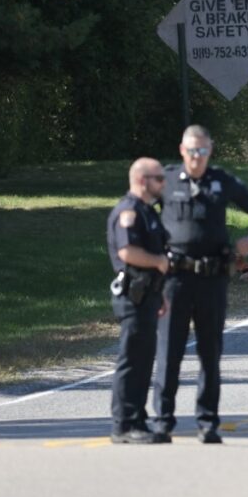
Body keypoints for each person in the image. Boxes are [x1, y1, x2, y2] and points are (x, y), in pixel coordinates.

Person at [153, 125, 248, 444]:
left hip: (212, 279)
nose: (196, 157)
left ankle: (207, 422)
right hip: (174, 279)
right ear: (182, 151)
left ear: (210, 151)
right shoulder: (167, 179)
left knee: (209, 353)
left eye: (202, 151)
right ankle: (163, 421)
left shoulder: (220, 180)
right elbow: (138, 208)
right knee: (169, 352)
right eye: (191, 151)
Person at [106, 158, 170, 444]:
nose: (163, 183)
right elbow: (127, 252)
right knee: (132, 360)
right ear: (143, 180)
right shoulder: (129, 211)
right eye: (159, 178)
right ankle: (123, 424)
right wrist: (159, 261)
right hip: (133, 297)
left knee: (144, 360)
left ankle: (138, 419)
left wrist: (162, 294)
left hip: (148, 295)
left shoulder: (148, 212)